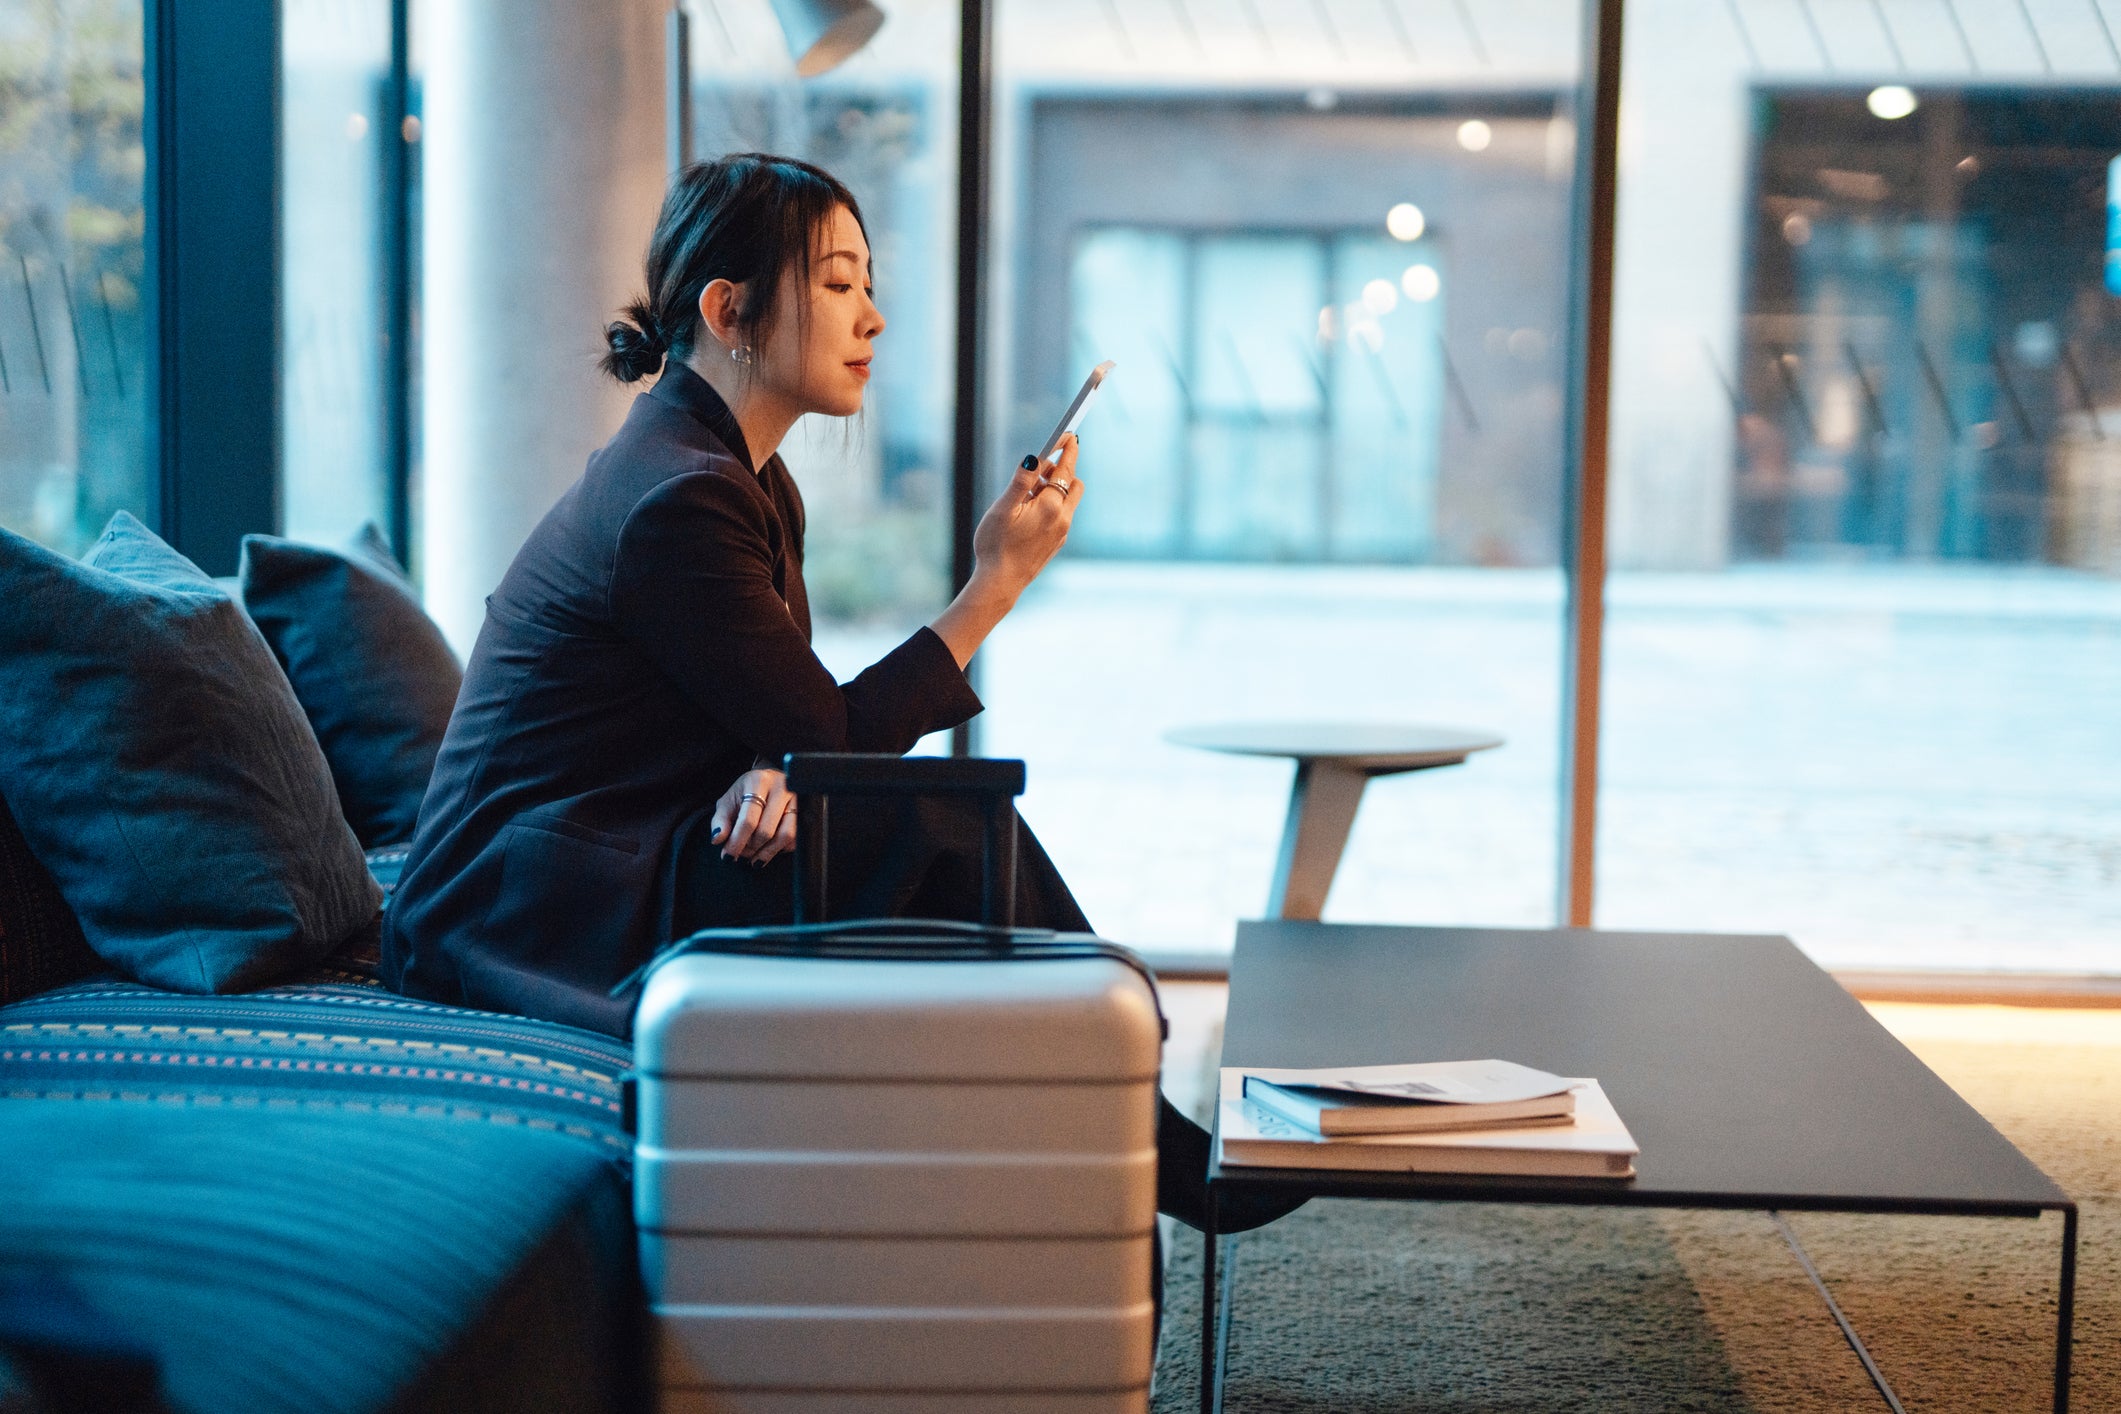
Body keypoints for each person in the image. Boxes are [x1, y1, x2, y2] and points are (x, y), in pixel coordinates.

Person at [381, 152, 1297, 1236]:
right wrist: (991, 586)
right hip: (527, 902)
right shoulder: (679, 496)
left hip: (623, 849)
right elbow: (829, 734)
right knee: (939, 818)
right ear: (730, 309)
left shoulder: (742, 475)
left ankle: (1094, 1121)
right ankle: (1135, 1125)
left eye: (867, 282)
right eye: (838, 283)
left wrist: (774, 773)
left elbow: (775, 718)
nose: (873, 315)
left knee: (911, 834)